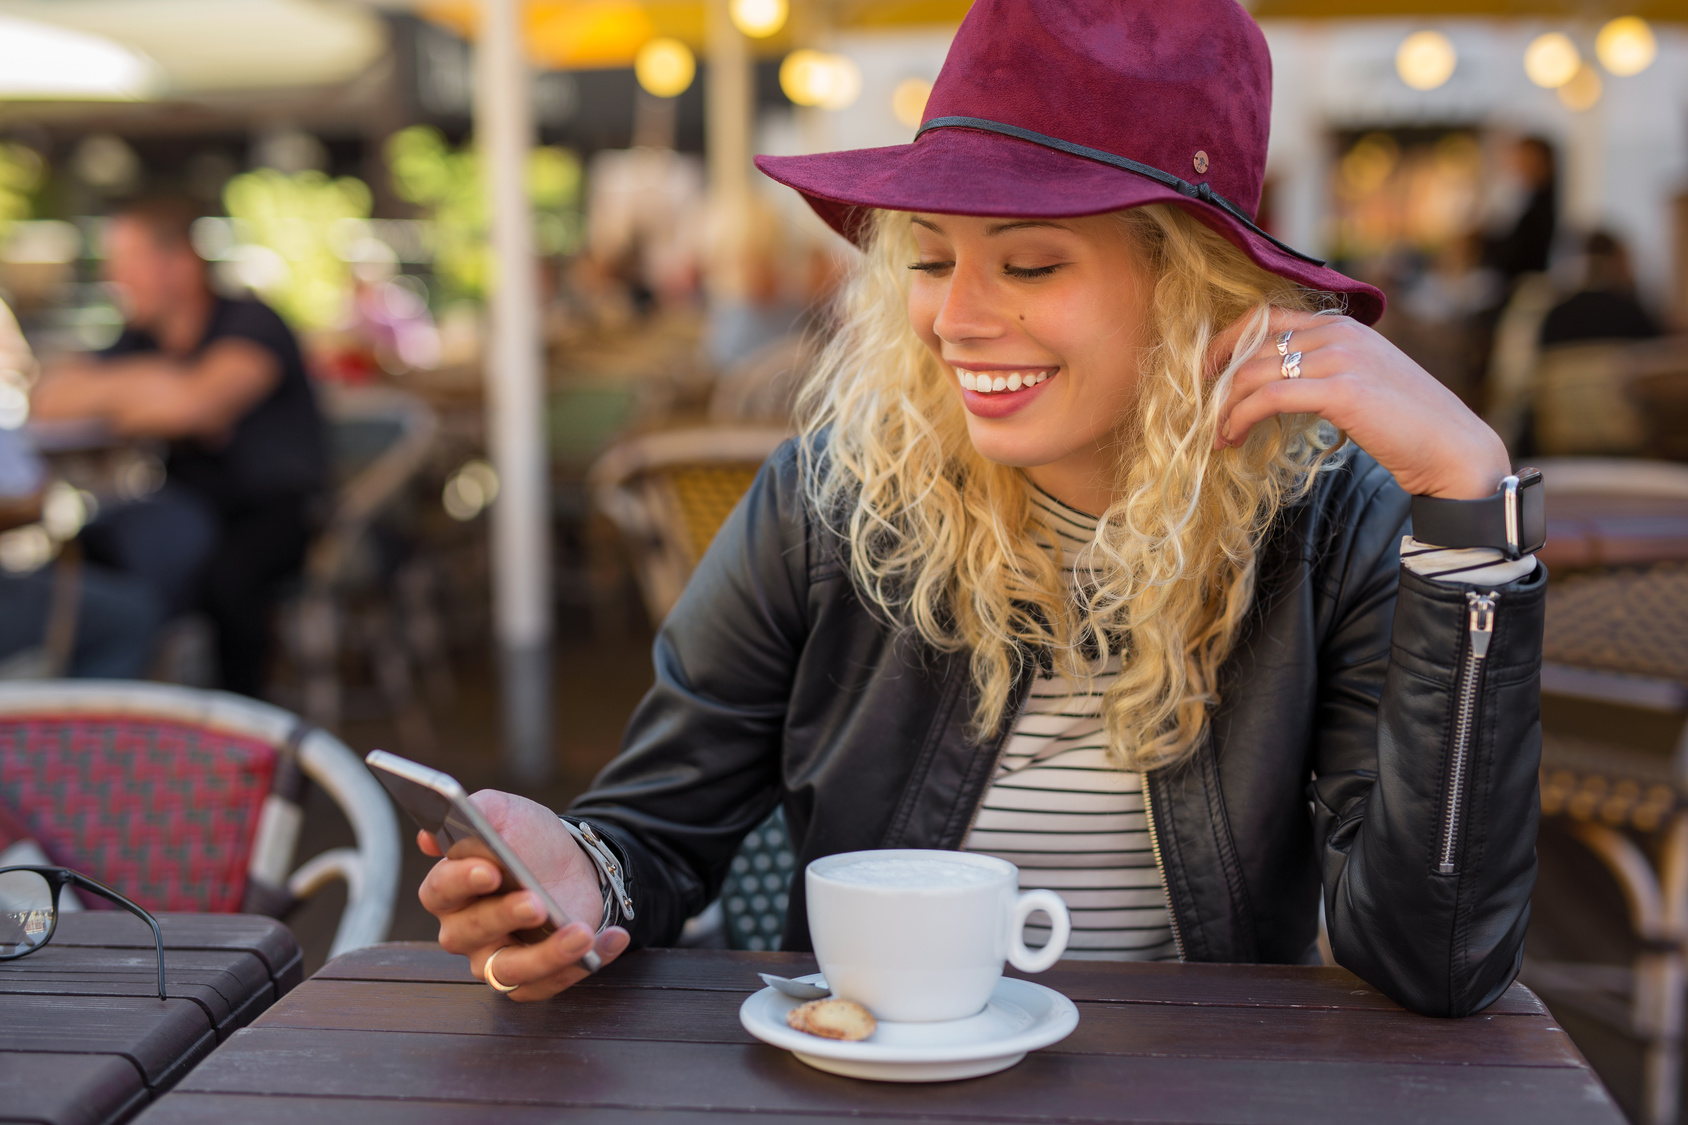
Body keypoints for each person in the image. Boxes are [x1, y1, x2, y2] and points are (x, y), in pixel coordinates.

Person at [418, 0, 1545, 1018]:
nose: (952, 319)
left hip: (1191, 1090)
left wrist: (1468, 518)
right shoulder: (825, 502)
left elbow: (1429, 959)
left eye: (1029, 265)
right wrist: (575, 878)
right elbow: (655, 836)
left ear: (1193, 285)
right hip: (875, 1077)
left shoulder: (1325, 524)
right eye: (929, 255)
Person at [30, 197, 326, 697]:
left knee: (227, 583)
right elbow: (50, 398)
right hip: (190, 507)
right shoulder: (142, 337)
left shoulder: (251, 321)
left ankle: (247, 737)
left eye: (128, 262)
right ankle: (105, 721)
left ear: (181, 264)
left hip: (277, 510)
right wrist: (157, 384)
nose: (114, 276)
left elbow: (197, 407)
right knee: (96, 554)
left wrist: (123, 398)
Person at [1539, 230, 1660, 347]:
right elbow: (1660, 351)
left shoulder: (1557, 318)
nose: (1632, 270)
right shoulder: (1631, 315)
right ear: (1615, 261)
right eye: (1626, 261)